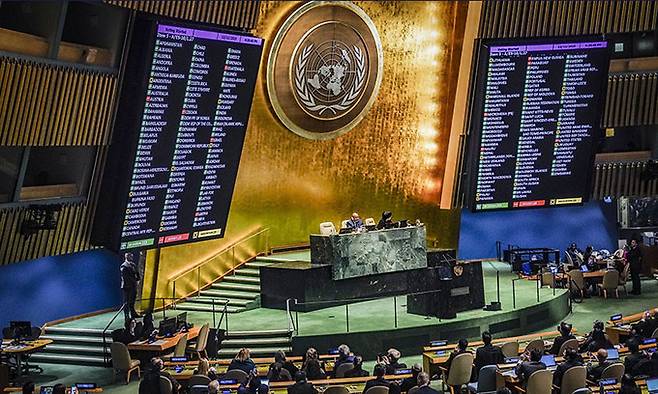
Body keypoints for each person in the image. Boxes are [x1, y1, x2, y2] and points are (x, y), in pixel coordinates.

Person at [120, 252, 141, 320]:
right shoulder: (124, 266)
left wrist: (137, 280)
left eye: (132, 256)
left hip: (133, 286)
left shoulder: (133, 264)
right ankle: (126, 316)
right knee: (127, 302)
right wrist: (134, 281)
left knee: (132, 301)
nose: (132, 258)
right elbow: (125, 277)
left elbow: (137, 273)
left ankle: (133, 314)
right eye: (130, 256)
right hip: (127, 286)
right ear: (127, 257)